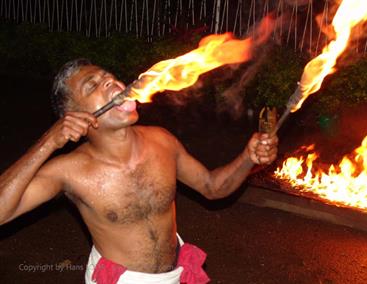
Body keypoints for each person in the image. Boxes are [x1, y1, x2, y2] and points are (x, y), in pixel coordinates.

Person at [0, 59, 278, 284]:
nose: (111, 81)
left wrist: (247, 158)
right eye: (92, 85)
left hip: (177, 274)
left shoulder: (162, 141)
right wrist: (49, 141)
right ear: (74, 115)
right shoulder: (70, 171)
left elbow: (212, 187)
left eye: (109, 76)